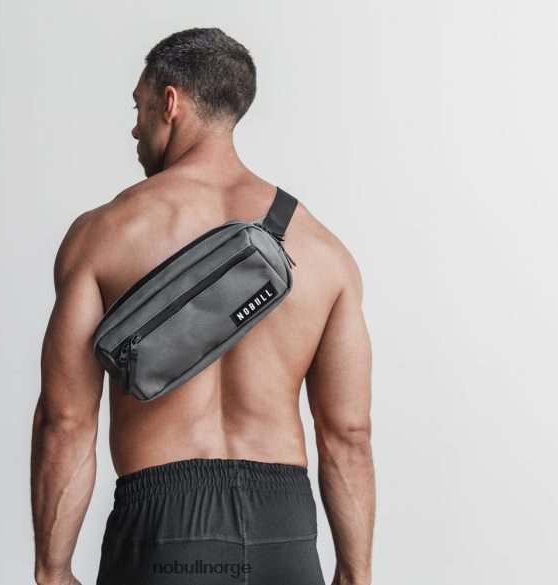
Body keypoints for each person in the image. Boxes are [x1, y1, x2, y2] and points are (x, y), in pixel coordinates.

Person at [31, 27, 374, 585]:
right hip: (283, 528)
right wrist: (356, 575)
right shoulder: (325, 252)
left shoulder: (102, 235)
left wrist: (52, 569)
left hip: (162, 525)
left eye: (139, 107)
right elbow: (348, 435)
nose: (135, 127)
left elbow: (64, 421)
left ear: (170, 103)